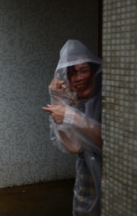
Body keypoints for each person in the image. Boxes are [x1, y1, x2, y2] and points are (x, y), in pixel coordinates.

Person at [42, 40, 102, 215]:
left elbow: (109, 141)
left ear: (94, 72)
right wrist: (58, 101)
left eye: (84, 70)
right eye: (72, 73)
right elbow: (74, 146)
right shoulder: (79, 103)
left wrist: (70, 116)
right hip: (86, 181)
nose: (79, 78)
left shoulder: (108, 100)